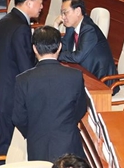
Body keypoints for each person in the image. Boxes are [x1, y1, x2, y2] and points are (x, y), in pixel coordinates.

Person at [0, 0, 46, 155]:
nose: (42, 7)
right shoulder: (21, 28)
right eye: (40, 2)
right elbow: (25, 68)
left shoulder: (6, 20)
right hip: (8, 98)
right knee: (6, 150)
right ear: (28, 2)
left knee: (4, 144)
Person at [13, 26, 87, 162]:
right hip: (68, 143)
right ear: (59, 47)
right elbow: (81, 108)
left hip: (37, 145)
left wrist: (34, 130)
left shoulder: (23, 79)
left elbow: (18, 117)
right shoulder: (75, 76)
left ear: (34, 48)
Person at [55, 0, 117, 91]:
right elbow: (64, 47)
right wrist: (55, 26)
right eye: (61, 13)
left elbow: (77, 57)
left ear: (78, 11)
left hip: (100, 81)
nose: (62, 17)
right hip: (85, 72)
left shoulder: (89, 29)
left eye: (65, 13)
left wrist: (55, 55)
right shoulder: (71, 26)